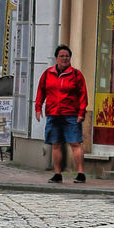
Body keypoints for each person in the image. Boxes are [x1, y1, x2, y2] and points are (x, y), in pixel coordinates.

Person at [34, 44, 89, 184]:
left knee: (75, 143)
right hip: (53, 114)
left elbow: (83, 94)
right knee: (56, 144)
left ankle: (81, 173)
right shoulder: (48, 74)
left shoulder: (76, 74)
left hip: (71, 114)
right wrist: (38, 108)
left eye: (67, 56)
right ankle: (57, 174)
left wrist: (81, 112)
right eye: (62, 56)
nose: (64, 58)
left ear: (70, 58)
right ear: (56, 58)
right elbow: (41, 91)